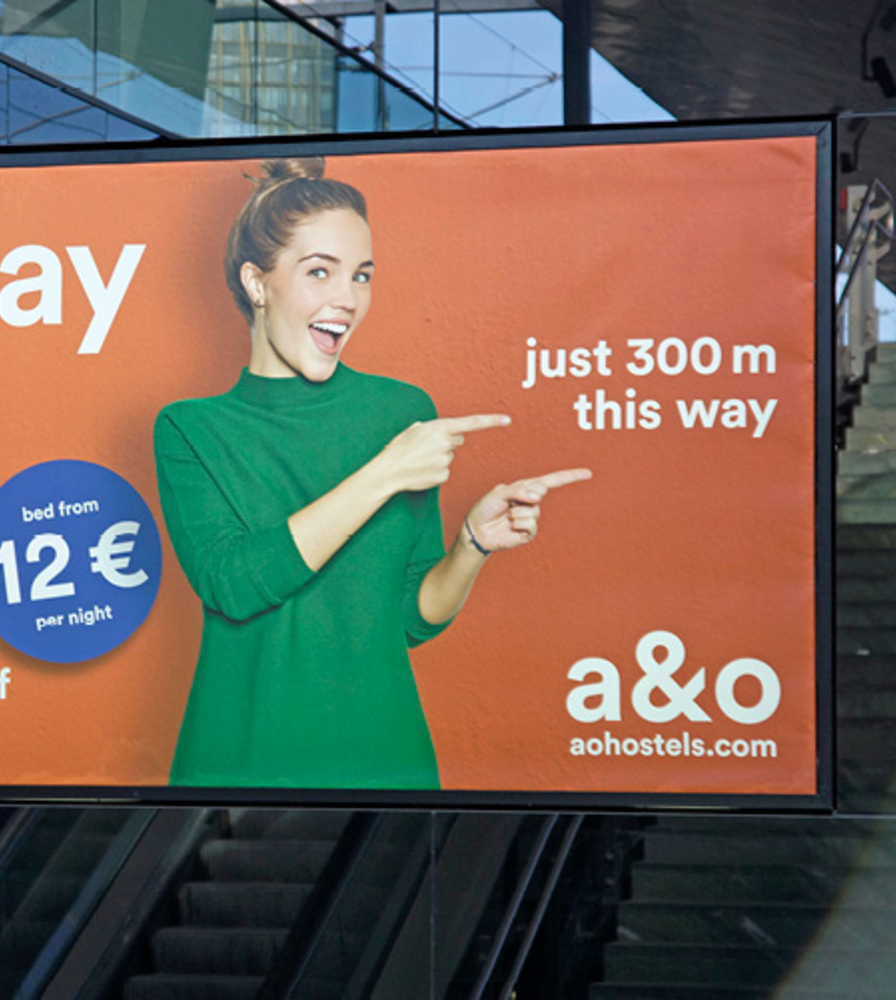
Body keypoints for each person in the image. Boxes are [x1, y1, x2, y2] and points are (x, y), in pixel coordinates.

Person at [154, 157, 589, 789]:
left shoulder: (401, 414)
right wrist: (384, 474)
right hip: (240, 769)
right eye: (319, 272)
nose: (347, 299)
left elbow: (410, 618)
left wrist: (471, 545)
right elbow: (234, 585)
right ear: (256, 282)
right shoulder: (191, 429)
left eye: (361, 276)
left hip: (386, 766)